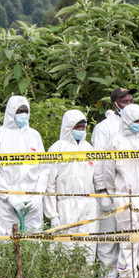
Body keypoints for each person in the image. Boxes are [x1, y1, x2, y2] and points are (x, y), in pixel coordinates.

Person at [102, 104, 139, 278]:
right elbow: (109, 173)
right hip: (125, 196)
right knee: (128, 241)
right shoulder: (116, 142)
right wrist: (115, 195)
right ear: (127, 120)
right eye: (136, 121)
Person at [0, 96, 47, 236]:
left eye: (26, 111)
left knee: (34, 245)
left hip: (32, 202)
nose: (23, 114)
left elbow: (44, 168)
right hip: (6, 204)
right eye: (19, 111)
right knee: (4, 246)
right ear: (11, 112)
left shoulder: (34, 136)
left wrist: (38, 195)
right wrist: (9, 196)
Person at [91, 87, 135, 278]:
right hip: (108, 191)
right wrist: (101, 189)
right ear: (115, 103)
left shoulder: (135, 126)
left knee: (127, 238)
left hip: (128, 191)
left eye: (131, 101)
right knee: (108, 240)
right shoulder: (105, 127)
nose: (129, 105)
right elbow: (99, 160)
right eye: (124, 102)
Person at [44, 110, 97, 264]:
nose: (81, 130)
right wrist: (52, 214)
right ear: (68, 127)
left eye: (83, 127)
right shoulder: (57, 148)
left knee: (88, 248)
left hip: (89, 204)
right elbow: (49, 184)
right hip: (66, 205)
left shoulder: (89, 148)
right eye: (77, 127)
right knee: (65, 249)